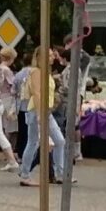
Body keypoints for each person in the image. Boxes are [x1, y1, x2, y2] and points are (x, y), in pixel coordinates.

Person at [19, 48, 72, 187]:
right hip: (37, 111)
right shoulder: (36, 72)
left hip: (46, 112)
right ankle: (25, 174)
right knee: (33, 142)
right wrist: (38, 113)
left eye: (52, 55)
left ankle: (60, 174)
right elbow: (36, 93)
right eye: (49, 55)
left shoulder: (46, 73)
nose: (52, 57)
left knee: (59, 141)